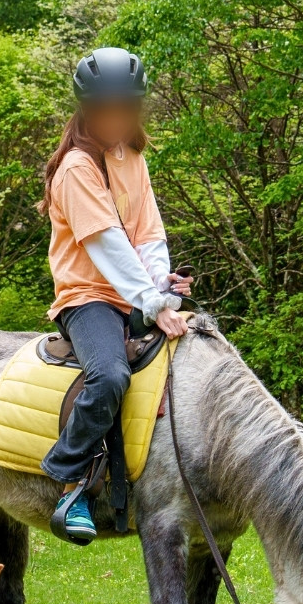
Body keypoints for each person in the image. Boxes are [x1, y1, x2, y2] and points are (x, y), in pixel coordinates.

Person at [38, 47, 192, 545]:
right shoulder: (75, 169)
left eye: (126, 107)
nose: (117, 118)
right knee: (108, 376)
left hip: (134, 293)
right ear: (86, 109)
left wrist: (162, 284)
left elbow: (148, 234)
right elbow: (107, 245)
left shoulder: (131, 157)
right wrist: (154, 303)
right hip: (87, 298)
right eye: (106, 109)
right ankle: (69, 480)